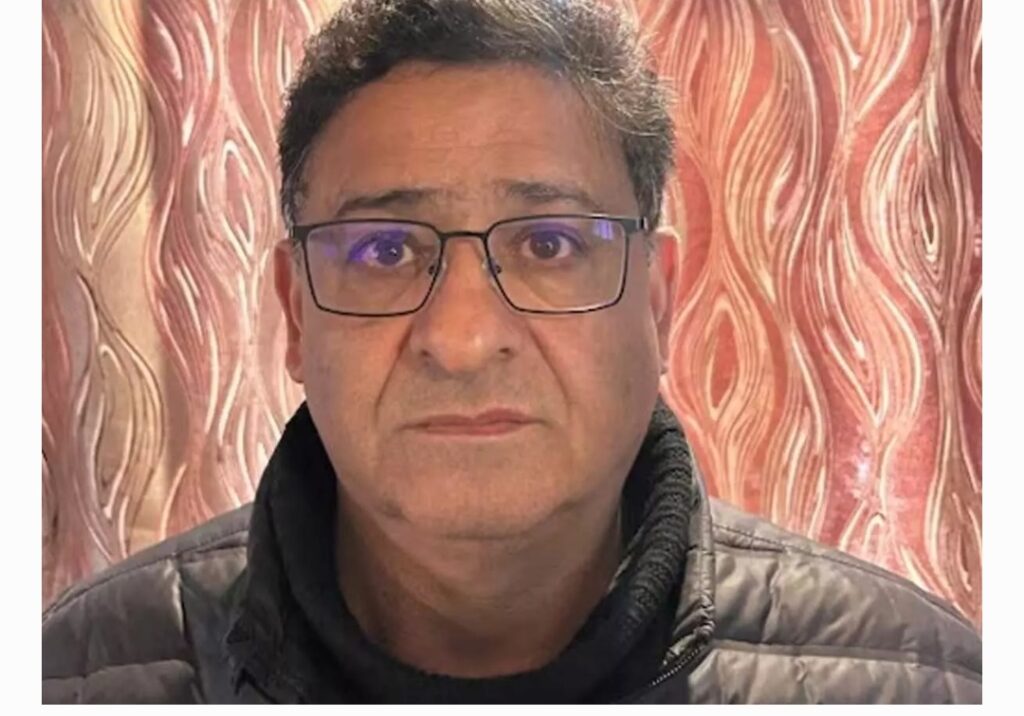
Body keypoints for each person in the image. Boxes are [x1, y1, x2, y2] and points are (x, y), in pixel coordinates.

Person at [41, 0, 981, 704]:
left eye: (549, 243)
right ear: (294, 313)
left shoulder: (925, 683)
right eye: (383, 251)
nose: (461, 339)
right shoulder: (72, 675)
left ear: (656, 301)